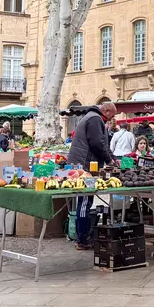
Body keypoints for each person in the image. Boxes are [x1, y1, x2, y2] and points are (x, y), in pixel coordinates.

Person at [67, 102, 117, 250]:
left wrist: (113, 158)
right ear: (106, 111)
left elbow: (103, 144)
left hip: (84, 164)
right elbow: (97, 143)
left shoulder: (92, 117)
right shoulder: (95, 119)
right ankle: (82, 239)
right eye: (112, 115)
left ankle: (82, 236)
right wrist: (109, 160)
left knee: (84, 201)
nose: (112, 119)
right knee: (85, 201)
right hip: (85, 166)